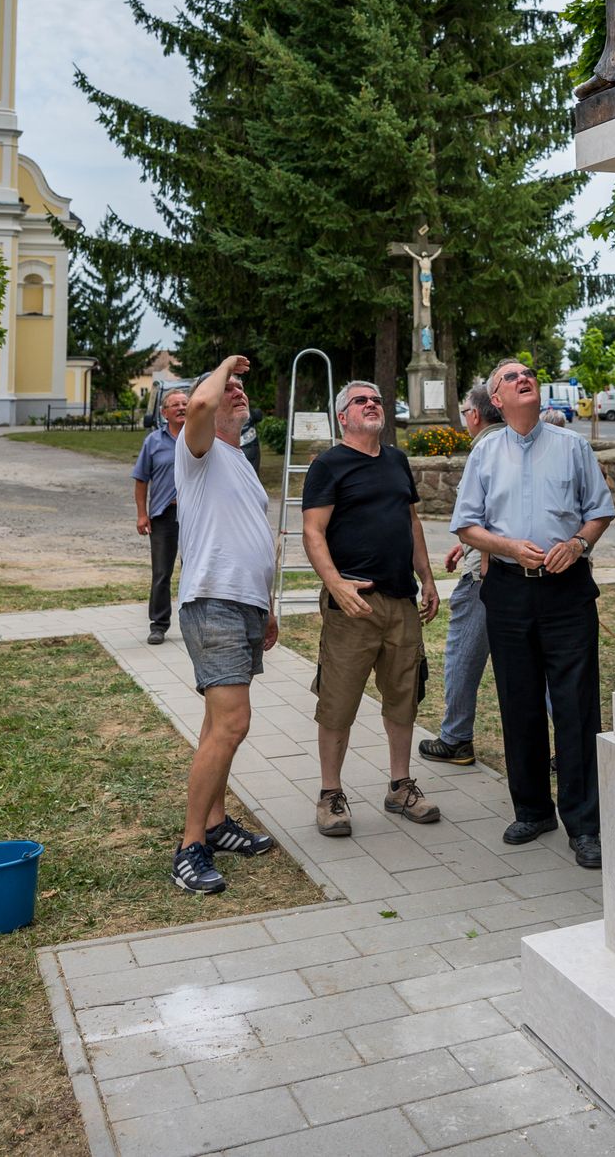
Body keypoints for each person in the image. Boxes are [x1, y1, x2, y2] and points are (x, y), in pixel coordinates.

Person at [452, 360, 615, 870]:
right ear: (495, 400)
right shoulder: (485, 453)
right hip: (507, 590)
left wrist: (578, 543)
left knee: (575, 704)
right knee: (518, 700)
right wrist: (504, 546)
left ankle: (585, 824)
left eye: (528, 374)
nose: (524, 378)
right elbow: (466, 526)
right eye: (510, 377)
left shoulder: (573, 447)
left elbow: (601, 510)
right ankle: (532, 809)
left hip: (566, 591)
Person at [302, 380, 441, 838]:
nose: (371, 405)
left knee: (403, 696)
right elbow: (313, 532)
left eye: (376, 400)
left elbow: (411, 520)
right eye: (360, 401)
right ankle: (329, 794)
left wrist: (427, 578)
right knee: (338, 701)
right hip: (353, 606)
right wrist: (335, 584)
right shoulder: (328, 465)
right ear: (343, 416)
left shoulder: (397, 460)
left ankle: (400, 786)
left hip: (401, 602)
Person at [171, 355, 277, 894]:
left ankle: (215, 825)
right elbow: (201, 403)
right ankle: (189, 846)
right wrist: (222, 366)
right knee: (233, 724)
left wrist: (268, 607)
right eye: (228, 388)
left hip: (244, 606)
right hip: (212, 602)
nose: (236, 393)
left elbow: (251, 539)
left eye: (242, 389)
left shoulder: (238, 460)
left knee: (219, 725)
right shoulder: (197, 449)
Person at [418, 383, 505, 768]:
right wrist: (468, 545)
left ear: (474, 415)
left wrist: (481, 557)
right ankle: (572, 745)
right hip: (492, 564)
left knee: (461, 654)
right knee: (538, 660)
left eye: (466, 409)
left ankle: (455, 738)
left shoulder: (487, 447)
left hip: (485, 577)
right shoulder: (512, 441)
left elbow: (489, 514)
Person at [133, 384, 188, 645]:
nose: (181, 407)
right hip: (163, 515)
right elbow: (141, 480)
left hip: (194, 514)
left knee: (195, 569)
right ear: (164, 412)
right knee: (162, 573)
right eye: (175, 404)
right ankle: (159, 624)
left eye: (185, 403)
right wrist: (142, 515)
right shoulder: (153, 441)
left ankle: (194, 622)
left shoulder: (199, 436)